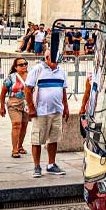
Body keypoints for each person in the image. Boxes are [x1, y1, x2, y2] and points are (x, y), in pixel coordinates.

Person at [24, 47, 69, 178]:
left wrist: (65, 106)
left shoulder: (61, 71)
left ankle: (51, 164)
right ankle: (37, 166)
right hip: (41, 111)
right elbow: (27, 89)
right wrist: (31, 108)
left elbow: (63, 90)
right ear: (47, 58)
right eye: (55, 58)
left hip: (56, 110)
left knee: (54, 139)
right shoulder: (38, 69)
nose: (57, 61)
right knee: (37, 139)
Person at [0, 58, 31, 157]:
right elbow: (3, 93)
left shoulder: (31, 76)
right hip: (14, 103)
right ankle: (14, 148)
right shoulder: (11, 78)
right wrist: (2, 107)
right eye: (21, 65)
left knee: (24, 125)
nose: (24, 66)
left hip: (26, 104)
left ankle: (20, 146)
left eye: (25, 64)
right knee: (16, 124)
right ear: (15, 67)